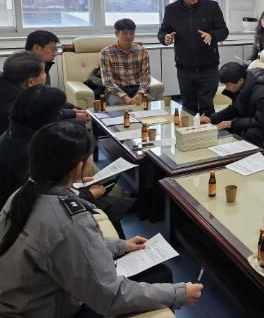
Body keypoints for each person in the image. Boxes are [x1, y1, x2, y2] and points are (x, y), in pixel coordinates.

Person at [0, 121, 202, 316]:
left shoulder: (24, 193)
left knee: (157, 272)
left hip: (26, 299)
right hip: (45, 309)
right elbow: (110, 297)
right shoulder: (68, 220)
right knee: (161, 275)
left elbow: (69, 246)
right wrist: (178, 294)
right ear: (78, 167)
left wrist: (121, 246)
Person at [0, 85, 134, 236]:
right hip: (29, 218)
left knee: (111, 201)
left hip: (39, 204)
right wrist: (88, 194)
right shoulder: (28, 153)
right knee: (110, 205)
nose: (61, 116)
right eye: (58, 113)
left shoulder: (17, 133)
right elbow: (41, 201)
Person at [158, 0, 229, 116]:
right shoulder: (172, 10)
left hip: (208, 68)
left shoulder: (211, 6)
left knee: (207, 107)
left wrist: (212, 35)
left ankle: (207, 131)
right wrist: (165, 38)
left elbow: (223, 31)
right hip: (185, 69)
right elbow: (162, 32)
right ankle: (189, 131)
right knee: (188, 107)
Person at [200, 62, 264, 148]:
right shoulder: (243, 85)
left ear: (240, 80)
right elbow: (235, 108)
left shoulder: (262, 93)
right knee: (227, 127)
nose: (226, 87)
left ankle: (258, 159)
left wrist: (232, 123)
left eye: (228, 84)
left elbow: (262, 121)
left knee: (251, 133)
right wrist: (212, 119)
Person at [25, 30, 90, 122]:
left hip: (43, 113)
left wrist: (72, 108)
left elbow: (49, 99)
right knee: (76, 122)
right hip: (32, 119)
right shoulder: (27, 70)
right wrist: (72, 113)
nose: (55, 53)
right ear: (37, 48)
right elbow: (39, 107)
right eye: (52, 49)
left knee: (78, 112)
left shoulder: (42, 66)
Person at [100, 18, 152, 106]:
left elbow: (146, 77)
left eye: (131, 33)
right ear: (116, 34)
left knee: (152, 103)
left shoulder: (142, 51)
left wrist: (140, 93)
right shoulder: (106, 52)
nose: (128, 36)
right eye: (125, 33)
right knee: (119, 104)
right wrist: (124, 97)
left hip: (137, 89)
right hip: (115, 91)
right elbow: (107, 81)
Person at [0, 51, 46, 135]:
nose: (45, 75)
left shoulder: (7, 87)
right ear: (31, 82)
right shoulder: (19, 113)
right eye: (43, 72)